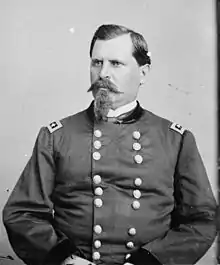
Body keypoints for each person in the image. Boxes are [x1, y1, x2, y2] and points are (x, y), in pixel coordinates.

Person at [3, 24, 217, 265]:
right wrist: (66, 260)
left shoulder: (176, 140)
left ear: (143, 73)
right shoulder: (56, 136)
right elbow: (22, 214)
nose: (103, 73)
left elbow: (202, 220)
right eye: (97, 62)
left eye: (115, 63)